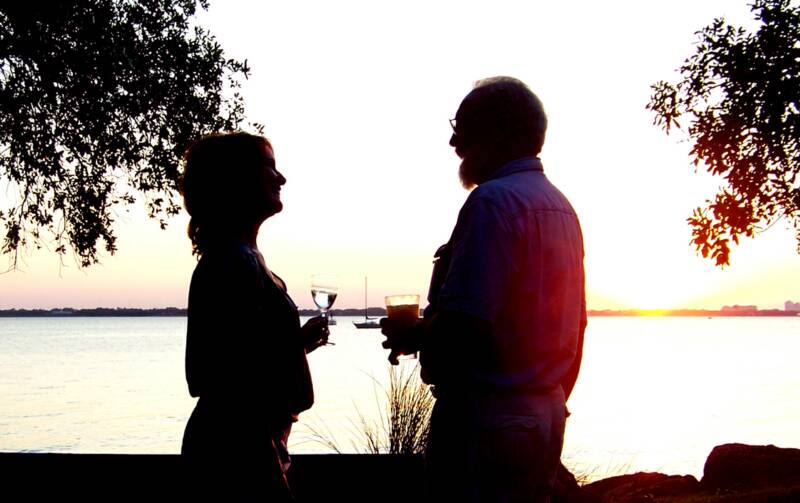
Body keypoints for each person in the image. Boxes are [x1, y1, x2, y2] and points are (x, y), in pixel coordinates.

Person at [382, 77, 586, 502]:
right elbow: (576, 326)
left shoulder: (492, 202)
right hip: (543, 415)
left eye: (464, 127)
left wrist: (415, 334)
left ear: (499, 131)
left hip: (486, 419)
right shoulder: (560, 206)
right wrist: (550, 401)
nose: (454, 142)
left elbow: (466, 326)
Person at [179, 132, 329, 501]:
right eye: (269, 167)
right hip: (238, 451)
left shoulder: (243, 258)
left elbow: (242, 353)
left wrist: (297, 345)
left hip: (255, 444)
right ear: (235, 179)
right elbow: (208, 374)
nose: (281, 179)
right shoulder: (233, 263)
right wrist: (291, 346)